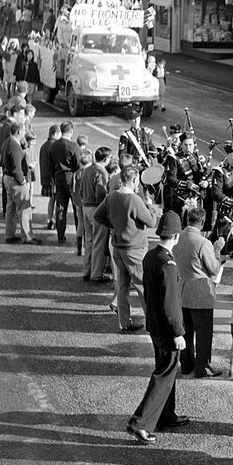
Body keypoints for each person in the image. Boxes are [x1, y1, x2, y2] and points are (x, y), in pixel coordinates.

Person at [125, 210, 188, 445]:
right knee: (164, 374)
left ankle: (165, 415)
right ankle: (140, 422)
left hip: (154, 324)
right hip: (166, 328)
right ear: (176, 236)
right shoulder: (169, 265)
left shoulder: (151, 256)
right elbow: (171, 304)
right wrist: (178, 332)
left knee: (166, 371)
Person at [93, 164, 162, 332]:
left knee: (122, 287)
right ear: (134, 179)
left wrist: (115, 225)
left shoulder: (111, 196)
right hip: (134, 248)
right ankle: (152, 323)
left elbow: (98, 215)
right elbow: (151, 222)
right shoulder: (135, 200)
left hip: (117, 247)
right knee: (143, 286)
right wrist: (150, 205)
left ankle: (124, 323)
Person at [172, 206, 226, 379]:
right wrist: (217, 250)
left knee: (186, 331)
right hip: (201, 293)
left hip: (183, 290)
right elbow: (214, 269)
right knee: (203, 333)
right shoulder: (203, 243)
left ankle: (186, 364)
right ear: (202, 222)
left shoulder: (178, 237)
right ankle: (202, 367)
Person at [0, 120, 42, 246]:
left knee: (11, 209)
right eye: (23, 131)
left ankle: (10, 235)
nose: (24, 133)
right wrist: (23, 181)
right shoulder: (15, 147)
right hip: (16, 180)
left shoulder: (6, 143)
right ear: (18, 132)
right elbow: (17, 169)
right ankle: (28, 237)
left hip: (7, 178)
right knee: (24, 209)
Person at [78, 146, 111, 282]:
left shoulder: (87, 170)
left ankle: (87, 270)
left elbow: (80, 190)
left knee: (89, 240)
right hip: (96, 208)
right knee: (99, 242)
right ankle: (96, 273)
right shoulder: (101, 172)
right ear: (106, 159)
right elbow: (101, 193)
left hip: (85, 206)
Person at [50, 121, 83, 248]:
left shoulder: (53, 146)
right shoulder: (74, 146)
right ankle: (79, 234)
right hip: (71, 177)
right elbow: (79, 165)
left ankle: (60, 235)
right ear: (71, 131)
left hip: (58, 176)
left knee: (60, 207)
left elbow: (51, 163)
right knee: (76, 207)